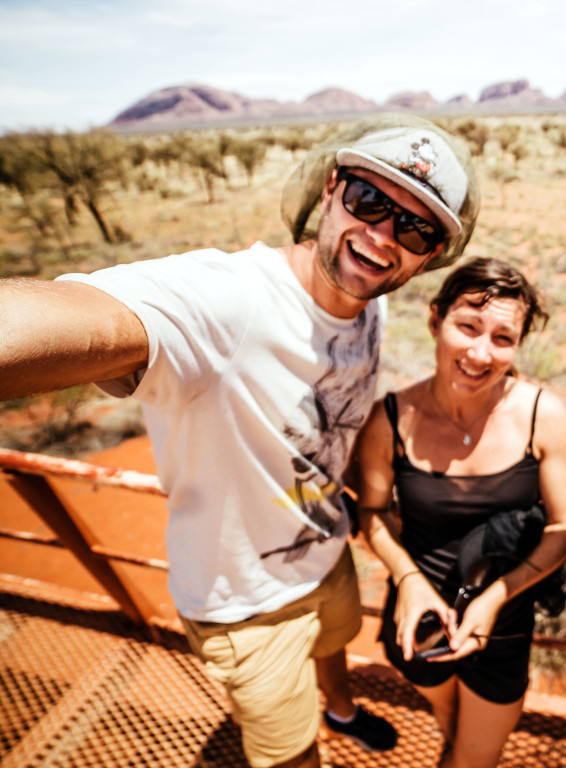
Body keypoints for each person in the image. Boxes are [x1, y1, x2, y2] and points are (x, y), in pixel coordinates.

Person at [0, 113, 480, 768]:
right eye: (369, 199)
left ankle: (340, 710)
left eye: (415, 228)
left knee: (334, 645)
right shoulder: (230, 302)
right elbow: (89, 324)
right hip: (244, 603)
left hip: (326, 549)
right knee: (290, 758)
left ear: (430, 255)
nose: (381, 235)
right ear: (332, 187)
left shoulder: (372, 297)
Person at [355, 257, 566, 768]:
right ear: (436, 320)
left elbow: (565, 527)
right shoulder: (390, 419)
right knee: (450, 722)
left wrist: (496, 597)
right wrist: (408, 580)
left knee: (475, 759)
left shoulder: (541, 415)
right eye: (468, 327)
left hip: (504, 619)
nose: (481, 353)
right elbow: (372, 511)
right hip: (418, 617)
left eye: (503, 338)